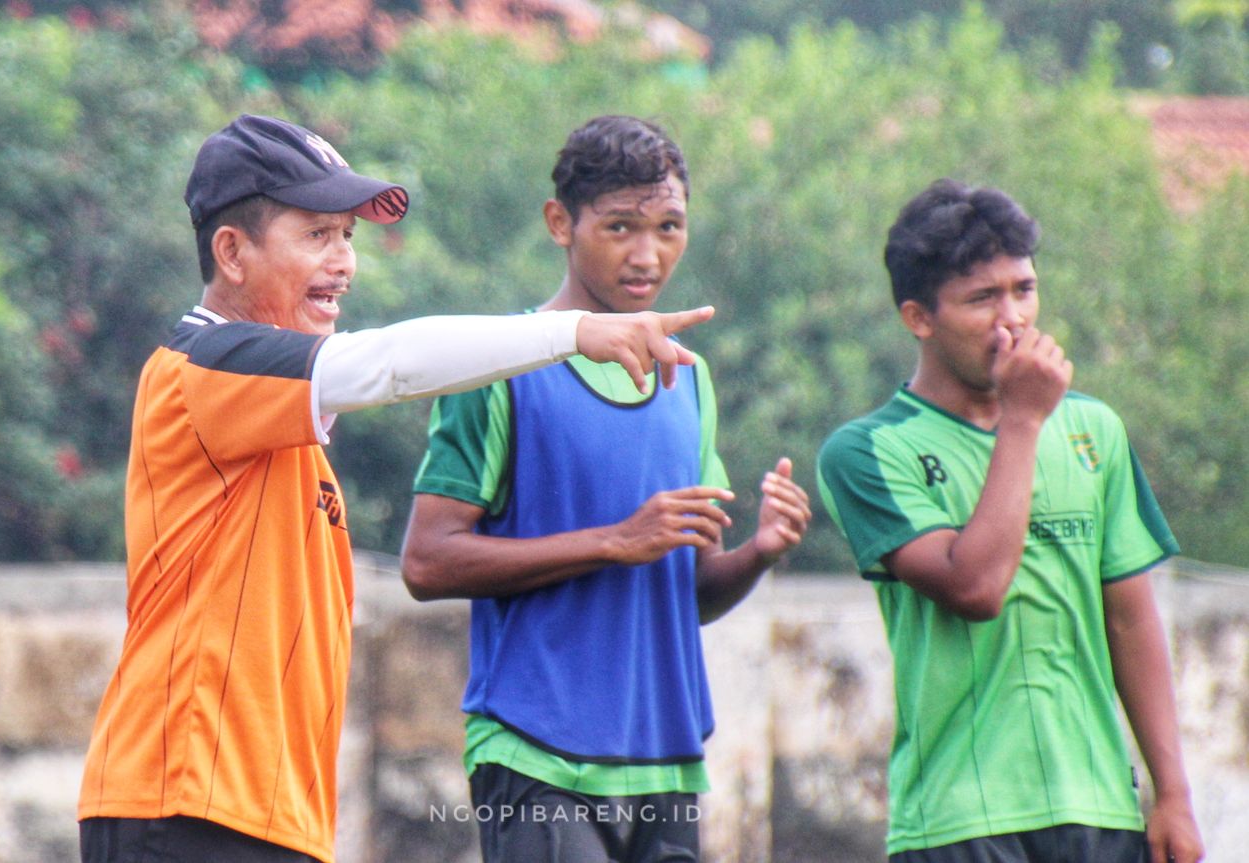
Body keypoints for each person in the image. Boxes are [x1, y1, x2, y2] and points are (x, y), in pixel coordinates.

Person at [76, 113, 719, 863]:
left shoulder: (276, 421)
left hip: (257, 814)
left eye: (348, 236)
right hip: (185, 800)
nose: (345, 261)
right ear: (232, 251)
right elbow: (389, 362)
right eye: (318, 234)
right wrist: (573, 333)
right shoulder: (205, 365)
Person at [399, 114, 813, 863]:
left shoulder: (688, 380)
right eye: (619, 226)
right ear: (562, 222)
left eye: (668, 225)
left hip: (666, 757)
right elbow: (428, 562)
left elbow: (684, 593)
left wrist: (758, 552)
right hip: (537, 753)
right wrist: (613, 540)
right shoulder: (499, 366)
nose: (647, 254)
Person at [816, 178, 1204, 863]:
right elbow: (976, 589)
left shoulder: (1093, 428)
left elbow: (1129, 617)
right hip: (962, 818)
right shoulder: (868, 450)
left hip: (1100, 807)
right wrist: (1021, 419)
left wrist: (1172, 795)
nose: (1013, 318)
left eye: (1023, 289)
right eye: (981, 298)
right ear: (919, 317)